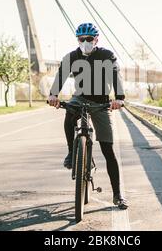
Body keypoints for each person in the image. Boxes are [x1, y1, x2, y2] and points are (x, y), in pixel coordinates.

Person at [47, 22, 128, 210]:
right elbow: (60, 76)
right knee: (69, 115)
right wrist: (53, 95)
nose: (85, 42)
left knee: (108, 150)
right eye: (81, 39)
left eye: (89, 39)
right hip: (80, 98)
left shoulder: (106, 55)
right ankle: (71, 152)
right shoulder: (72, 57)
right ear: (78, 39)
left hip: (101, 103)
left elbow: (116, 76)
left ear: (96, 39)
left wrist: (120, 98)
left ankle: (118, 195)